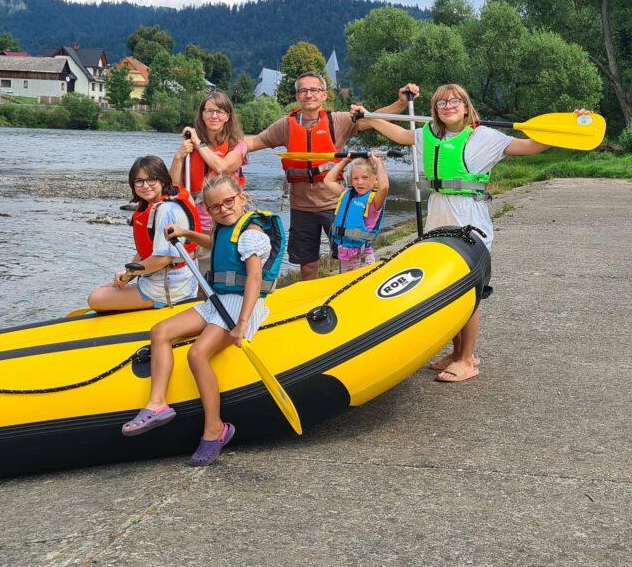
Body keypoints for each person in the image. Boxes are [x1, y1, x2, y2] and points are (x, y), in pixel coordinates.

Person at [358, 83, 589, 383]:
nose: (448, 106)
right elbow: (400, 134)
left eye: (454, 101)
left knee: (467, 293)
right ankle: (456, 354)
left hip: (470, 219)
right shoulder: (427, 134)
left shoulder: (486, 137)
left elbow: (531, 146)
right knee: (447, 290)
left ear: (466, 107)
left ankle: (467, 359)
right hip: (438, 217)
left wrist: (567, 127)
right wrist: (370, 116)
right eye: (441, 103)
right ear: (435, 110)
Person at [120, 175, 285, 468]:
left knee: (197, 354)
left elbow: (255, 279)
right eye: (215, 207)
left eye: (228, 202)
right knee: (160, 331)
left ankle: (215, 429)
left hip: (241, 304)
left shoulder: (253, 233)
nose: (223, 209)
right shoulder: (225, 228)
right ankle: (157, 404)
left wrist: (242, 322)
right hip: (217, 301)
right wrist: (186, 232)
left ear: (242, 197)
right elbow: (215, 242)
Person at [243, 73, 410, 281]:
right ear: (297, 96)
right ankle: (311, 303)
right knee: (308, 265)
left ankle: (345, 295)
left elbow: (375, 119)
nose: (309, 95)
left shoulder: (337, 120)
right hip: (301, 206)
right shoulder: (285, 125)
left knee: (348, 257)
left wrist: (401, 103)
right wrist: (221, 146)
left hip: (335, 204)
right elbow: (253, 142)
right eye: (303, 90)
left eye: (314, 90)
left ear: (323, 95)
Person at [86, 156, 200, 312]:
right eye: (139, 181)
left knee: (96, 298)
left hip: (169, 287)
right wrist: (129, 275)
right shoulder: (158, 203)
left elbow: (162, 259)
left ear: (162, 180)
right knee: (107, 287)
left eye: (151, 180)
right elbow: (146, 250)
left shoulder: (166, 211)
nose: (145, 186)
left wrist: (129, 274)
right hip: (172, 280)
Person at [171, 91, 248, 234]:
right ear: (202, 115)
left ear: (227, 117)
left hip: (227, 218)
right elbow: (176, 187)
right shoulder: (190, 145)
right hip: (195, 220)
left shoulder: (238, 145)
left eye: (220, 112)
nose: (214, 116)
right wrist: (178, 157)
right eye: (209, 111)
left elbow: (222, 167)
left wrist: (198, 142)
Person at [322, 152, 388, 273]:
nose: (359, 182)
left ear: (376, 180)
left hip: (362, 257)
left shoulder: (374, 201)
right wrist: (346, 161)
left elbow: (384, 187)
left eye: (365, 177)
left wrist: (379, 163)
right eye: (355, 178)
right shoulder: (346, 194)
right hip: (344, 255)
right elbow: (328, 180)